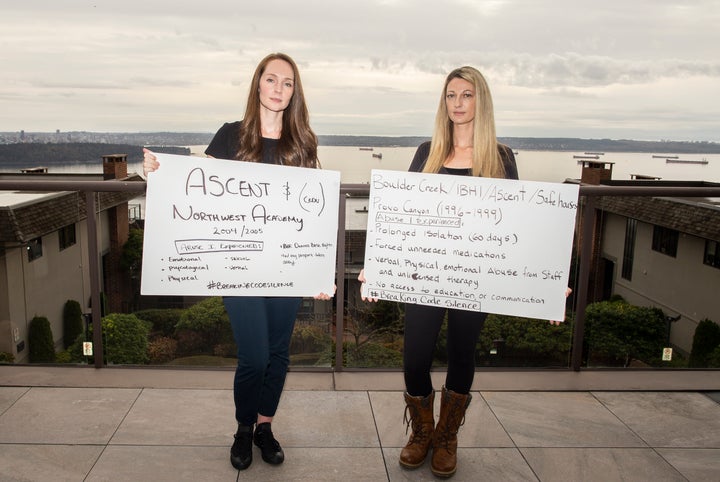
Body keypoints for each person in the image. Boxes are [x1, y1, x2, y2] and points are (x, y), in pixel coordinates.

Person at [143, 52, 333, 472]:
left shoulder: (303, 142)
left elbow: (312, 212)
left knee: (279, 353)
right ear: (258, 85)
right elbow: (196, 189)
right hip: (239, 268)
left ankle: (265, 427)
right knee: (254, 357)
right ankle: (243, 429)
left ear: (294, 92)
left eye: (287, 83)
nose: (279, 89)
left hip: (286, 270)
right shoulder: (231, 136)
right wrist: (156, 172)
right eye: (271, 79)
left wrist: (317, 269)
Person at [359, 66, 518, 478]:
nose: (458, 104)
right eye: (451, 95)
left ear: (480, 101)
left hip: (475, 279)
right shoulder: (427, 152)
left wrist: (548, 281)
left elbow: (517, 226)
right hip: (426, 277)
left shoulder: (500, 158)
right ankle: (422, 432)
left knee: (462, 355)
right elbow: (401, 217)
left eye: (466, 95)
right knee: (414, 358)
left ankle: (447, 437)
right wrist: (376, 266)